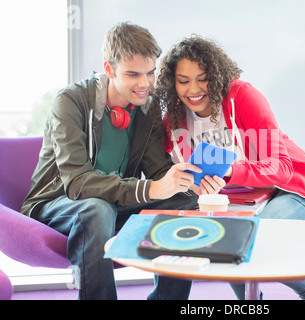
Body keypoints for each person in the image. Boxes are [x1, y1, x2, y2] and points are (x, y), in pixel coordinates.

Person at [20, 23, 224, 300]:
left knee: (183, 201)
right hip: (59, 203)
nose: (144, 84)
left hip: (113, 203)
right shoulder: (71, 101)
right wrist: (151, 189)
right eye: (133, 74)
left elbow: (159, 172)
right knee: (96, 209)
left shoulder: (147, 106)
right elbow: (77, 183)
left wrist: (188, 183)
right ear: (108, 69)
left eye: (150, 73)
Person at [152, 35, 305, 300]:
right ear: (173, 83)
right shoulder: (174, 117)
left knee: (252, 239)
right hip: (243, 200)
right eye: (183, 81)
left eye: (203, 78)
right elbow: (162, 169)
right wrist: (191, 182)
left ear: (216, 76)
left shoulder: (242, 96)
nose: (193, 89)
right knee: (227, 243)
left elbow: (282, 168)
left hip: (295, 189)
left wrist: (231, 171)